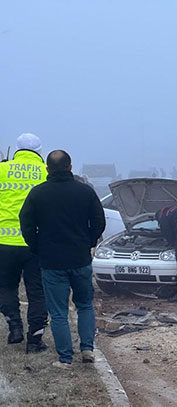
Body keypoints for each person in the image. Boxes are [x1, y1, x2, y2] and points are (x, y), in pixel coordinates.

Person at [20, 150, 105, 366]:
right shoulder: (85, 192)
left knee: (58, 313)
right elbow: (99, 222)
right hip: (80, 259)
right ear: (70, 167)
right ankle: (87, 349)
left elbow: (26, 223)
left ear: (48, 169)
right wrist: (89, 241)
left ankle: (65, 358)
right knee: (85, 305)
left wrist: (36, 246)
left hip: (51, 262)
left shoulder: (38, 193)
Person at [0, 133, 48, 353]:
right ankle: (35, 340)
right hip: (35, 242)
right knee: (37, 291)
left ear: (16, 149)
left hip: (4, 242)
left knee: (6, 286)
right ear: (39, 150)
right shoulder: (46, 172)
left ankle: (14, 326)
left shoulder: (2, 170)